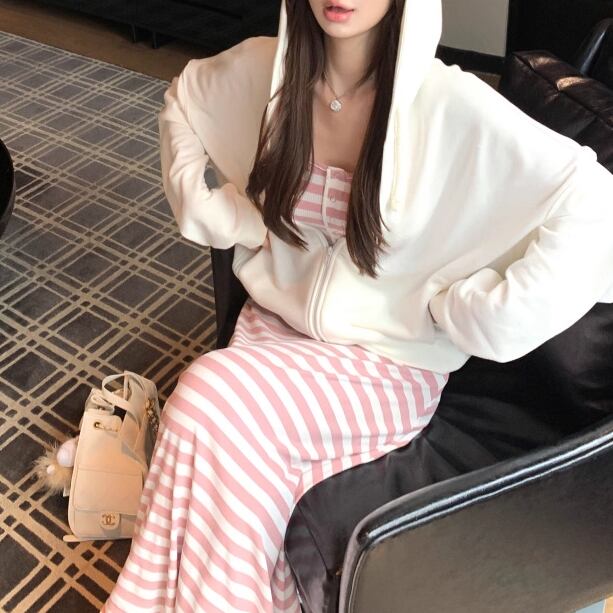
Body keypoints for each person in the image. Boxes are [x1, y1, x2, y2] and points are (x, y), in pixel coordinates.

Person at [102, 0, 613, 611]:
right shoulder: (267, 73)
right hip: (271, 333)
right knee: (227, 452)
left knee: (206, 400)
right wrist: (223, 213)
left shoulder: (448, 104)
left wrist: (477, 313)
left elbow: (595, 207)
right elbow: (184, 100)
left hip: (386, 365)